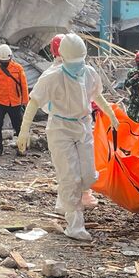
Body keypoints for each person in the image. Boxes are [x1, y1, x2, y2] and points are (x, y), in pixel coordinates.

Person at [17, 34, 119, 241]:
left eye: (80, 61)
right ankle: (75, 224)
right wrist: (24, 130)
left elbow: (96, 95)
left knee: (88, 175)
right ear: (62, 57)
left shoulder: (88, 73)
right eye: (73, 62)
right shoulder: (52, 77)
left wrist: (111, 114)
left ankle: (69, 197)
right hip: (60, 128)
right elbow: (34, 102)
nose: (77, 66)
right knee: (70, 176)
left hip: (83, 125)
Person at [48, 33, 99, 209]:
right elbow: (39, 101)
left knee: (83, 168)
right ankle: (69, 204)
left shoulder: (83, 70)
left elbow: (93, 94)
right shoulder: (53, 74)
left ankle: (79, 196)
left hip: (80, 122)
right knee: (68, 171)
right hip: (62, 124)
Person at [0, 44, 29, 156]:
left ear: (10, 57)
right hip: (0, 102)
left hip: (15, 102)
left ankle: (22, 147)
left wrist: (25, 100)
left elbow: (24, 85)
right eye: (2, 60)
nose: (4, 62)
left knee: (18, 125)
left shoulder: (18, 68)